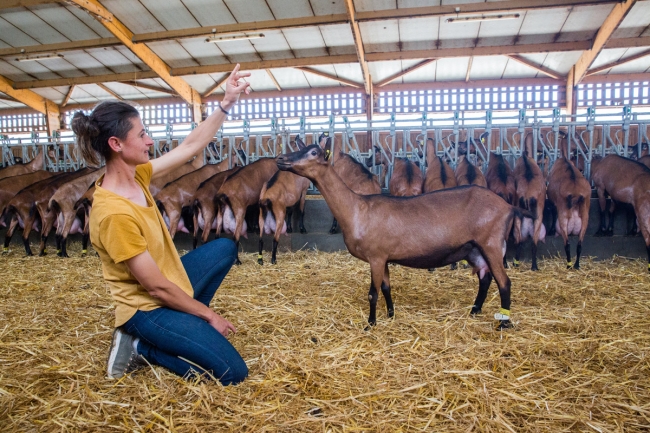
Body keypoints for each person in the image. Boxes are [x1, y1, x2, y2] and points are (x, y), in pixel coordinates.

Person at [71, 65, 252, 385]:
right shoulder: (114, 214)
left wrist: (226, 102)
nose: (150, 140)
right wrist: (208, 315)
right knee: (232, 373)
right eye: (141, 134)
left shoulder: (136, 175)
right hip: (146, 309)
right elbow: (154, 288)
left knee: (224, 247)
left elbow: (189, 147)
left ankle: (182, 325)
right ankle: (142, 348)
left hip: (169, 284)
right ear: (116, 144)